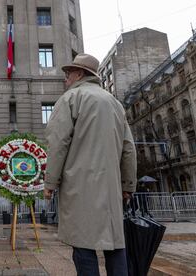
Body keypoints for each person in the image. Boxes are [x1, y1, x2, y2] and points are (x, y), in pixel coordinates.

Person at [44, 53, 137, 276]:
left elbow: (58, 142)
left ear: (79, 74)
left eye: (68, 74)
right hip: (111, 187)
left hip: (80, 186)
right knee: (115, 244)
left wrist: (50, 181)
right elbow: (129, 148)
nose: (65, 79)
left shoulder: (70, 99)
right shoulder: (115, 103)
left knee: (83, 244)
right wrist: (127, 185)